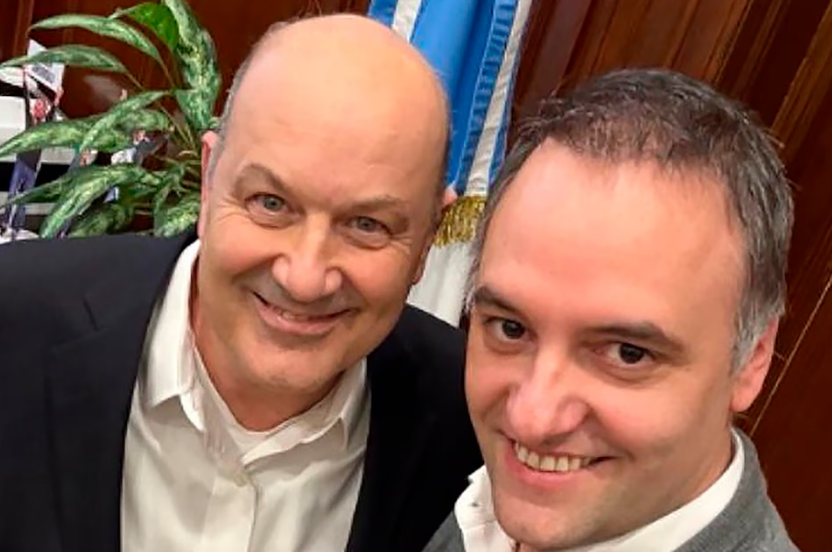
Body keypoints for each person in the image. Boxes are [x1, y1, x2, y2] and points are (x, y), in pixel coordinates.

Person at [0, 14, 480, 552]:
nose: (305, 279)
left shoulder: (476, 419)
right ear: (209, 181)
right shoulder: (12, 327)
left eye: (367, 225)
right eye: (270, 203)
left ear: (429, 237)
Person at [425, 68, 799, 552]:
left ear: (752, 359)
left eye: (627, 354)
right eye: (511, 328)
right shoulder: (470, 500)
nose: (532, 418)